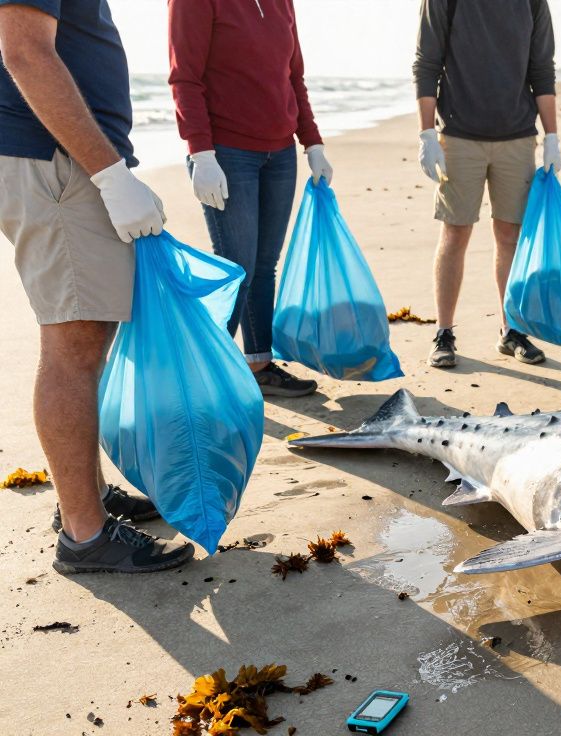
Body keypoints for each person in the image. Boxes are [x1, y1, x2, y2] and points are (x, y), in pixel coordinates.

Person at [1, 0, 193, 572]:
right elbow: (25, 52)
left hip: (64, 156)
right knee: (74, 346)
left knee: (87, 337)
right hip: (56, 159)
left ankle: (83, 495)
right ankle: (85, 535)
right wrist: (108, 173)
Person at [168, 0, 330, 398]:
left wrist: (312, 141)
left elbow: (293, 78)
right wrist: (200, 152)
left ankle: (258, 365)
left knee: (263, 265)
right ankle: (211, 377)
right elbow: (184, 78)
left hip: (280, 154)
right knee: (235, 269)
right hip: (226, 153)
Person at [413, 0, 561, 369]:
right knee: (455, 233)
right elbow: (426, 62)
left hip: (518, 135)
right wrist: (427, 133)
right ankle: (443, 333)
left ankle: (512, 330)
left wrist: (553, 136)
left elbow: (541, 69)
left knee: (510, 235)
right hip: (460, 135)